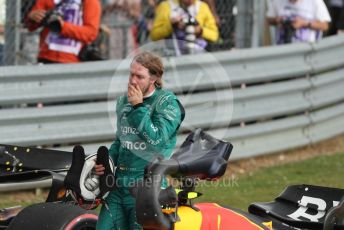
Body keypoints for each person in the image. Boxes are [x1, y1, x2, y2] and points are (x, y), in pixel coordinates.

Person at [95, 51, 184, 229]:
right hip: (118, 187)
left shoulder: (167, 103)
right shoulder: (123, 101)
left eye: (139, 76)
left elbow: (157, 140)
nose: (133, 81)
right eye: (131, 74)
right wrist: (106, 163)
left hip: (147, 188)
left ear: (154, 78)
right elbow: (121, 141)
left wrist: (138, 107)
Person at [25, 0, 101, 63]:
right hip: (46, 57)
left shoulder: (90, 2)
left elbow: (91, 33)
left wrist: (63, 27)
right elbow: (31, 26)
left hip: (73, 60)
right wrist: (31, 17)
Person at [150, 0, 219, 55]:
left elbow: (214, 35)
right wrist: (171, 25)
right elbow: (154, 35)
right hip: (173, 56)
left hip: (198, 55)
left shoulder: (202, 7)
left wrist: (200, 31)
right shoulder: (166, 6)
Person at [267, 0, 331, 44]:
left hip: (307, 49)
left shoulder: (315, 1)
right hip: (282, 48)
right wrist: (277, 20)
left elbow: (325, 25)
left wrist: (304, 23)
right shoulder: (278, 1)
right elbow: (269, 19)